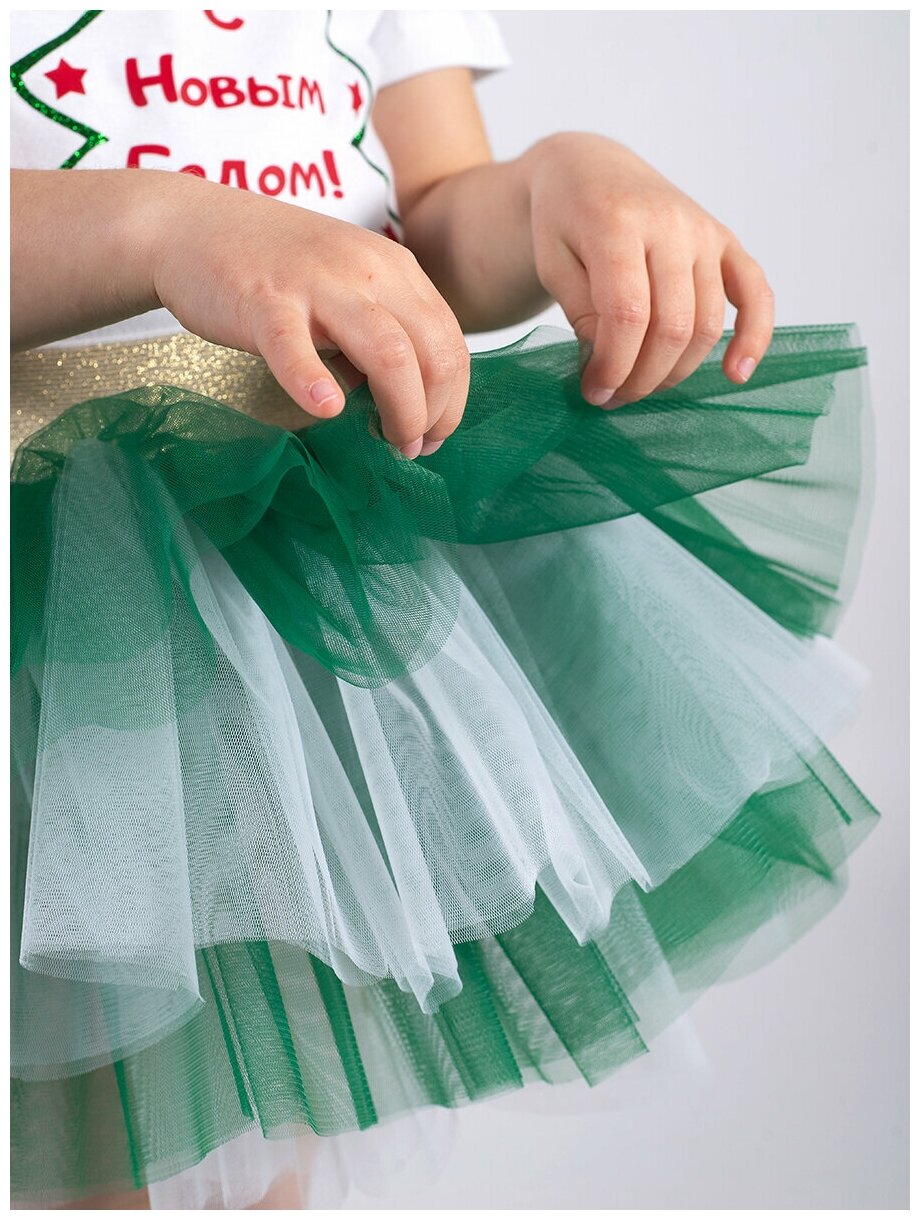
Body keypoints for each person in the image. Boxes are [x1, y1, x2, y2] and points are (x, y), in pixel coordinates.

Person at [10, 9, 879, 1211]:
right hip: (45, 550)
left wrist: (550, 188)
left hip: (278, 557)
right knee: (74, 1104)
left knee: (250, 1072)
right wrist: (161, 226)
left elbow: (428, 221)